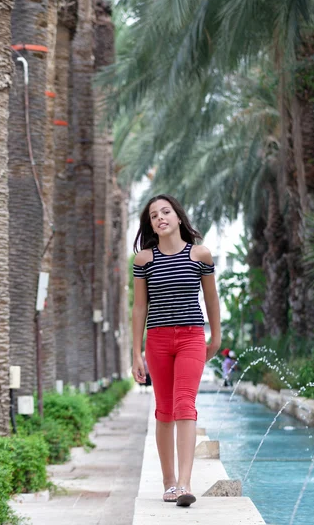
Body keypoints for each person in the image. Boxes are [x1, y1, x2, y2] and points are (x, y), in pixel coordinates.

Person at [131, 194, 221, 507]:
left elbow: (211, 299)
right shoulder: (144, 260)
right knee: (164, 410)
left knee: (185, 404)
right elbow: (139, 307)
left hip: (192, 337)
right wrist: (135, 353)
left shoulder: (200, 255)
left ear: (178, 217)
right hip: (157, 339)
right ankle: (168, 483)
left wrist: (217, 336)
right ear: (151, 225)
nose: (161, 218)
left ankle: (184, 484)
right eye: (154, 216)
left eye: (166, 212)